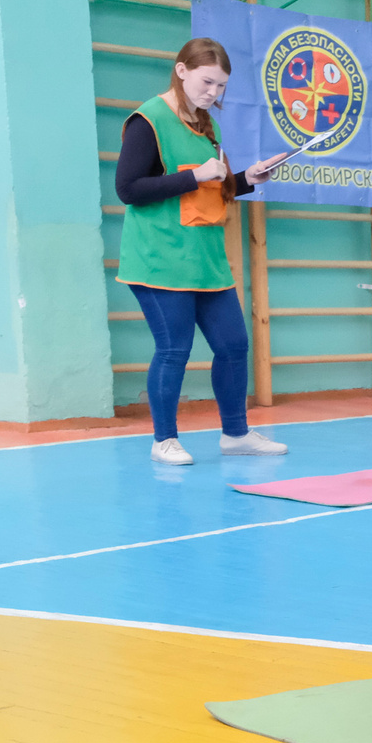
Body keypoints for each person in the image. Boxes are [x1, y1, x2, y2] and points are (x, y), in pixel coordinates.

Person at [115, 38, 292, 467]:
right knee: (173, 348)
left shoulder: (202, 123)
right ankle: (164, 440)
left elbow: (215, 189)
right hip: (160, 259)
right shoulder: (149, 120)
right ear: (181, 71)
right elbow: (128, 189)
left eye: (221, 86)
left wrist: (248, 177)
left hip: (205, 259)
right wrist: (194, 174)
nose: (213, 93)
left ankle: (235, 433)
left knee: (233, 345)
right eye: (207, 81)